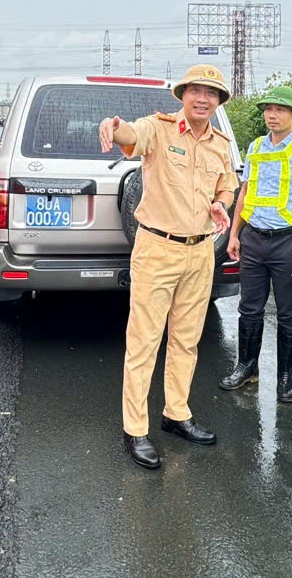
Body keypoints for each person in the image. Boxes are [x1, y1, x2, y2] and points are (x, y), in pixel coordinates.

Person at [99, 64, 240, 470]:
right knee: (144, 341)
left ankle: (176, 413)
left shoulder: (220, 143)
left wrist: (222, 203)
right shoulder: (159, 129)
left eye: (211, 93)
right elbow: (132, 136)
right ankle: (135, 428)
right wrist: (114, 125)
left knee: (186, 339)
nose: (202, 98)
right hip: (157, 248)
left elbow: (227, 184)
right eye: (195, 90)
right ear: (182, 95)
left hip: (200, 252)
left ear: (218, 102)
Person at [219, 85, 292, 403]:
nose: (271, 114)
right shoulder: (255, 147)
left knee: (288, 314)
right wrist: (235, 234)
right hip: (253, 239)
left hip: (287, 243)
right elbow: (245, 194)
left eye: (279, 109)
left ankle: (285, 378)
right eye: (267, 109)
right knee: (249, 308)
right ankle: (247, 367)